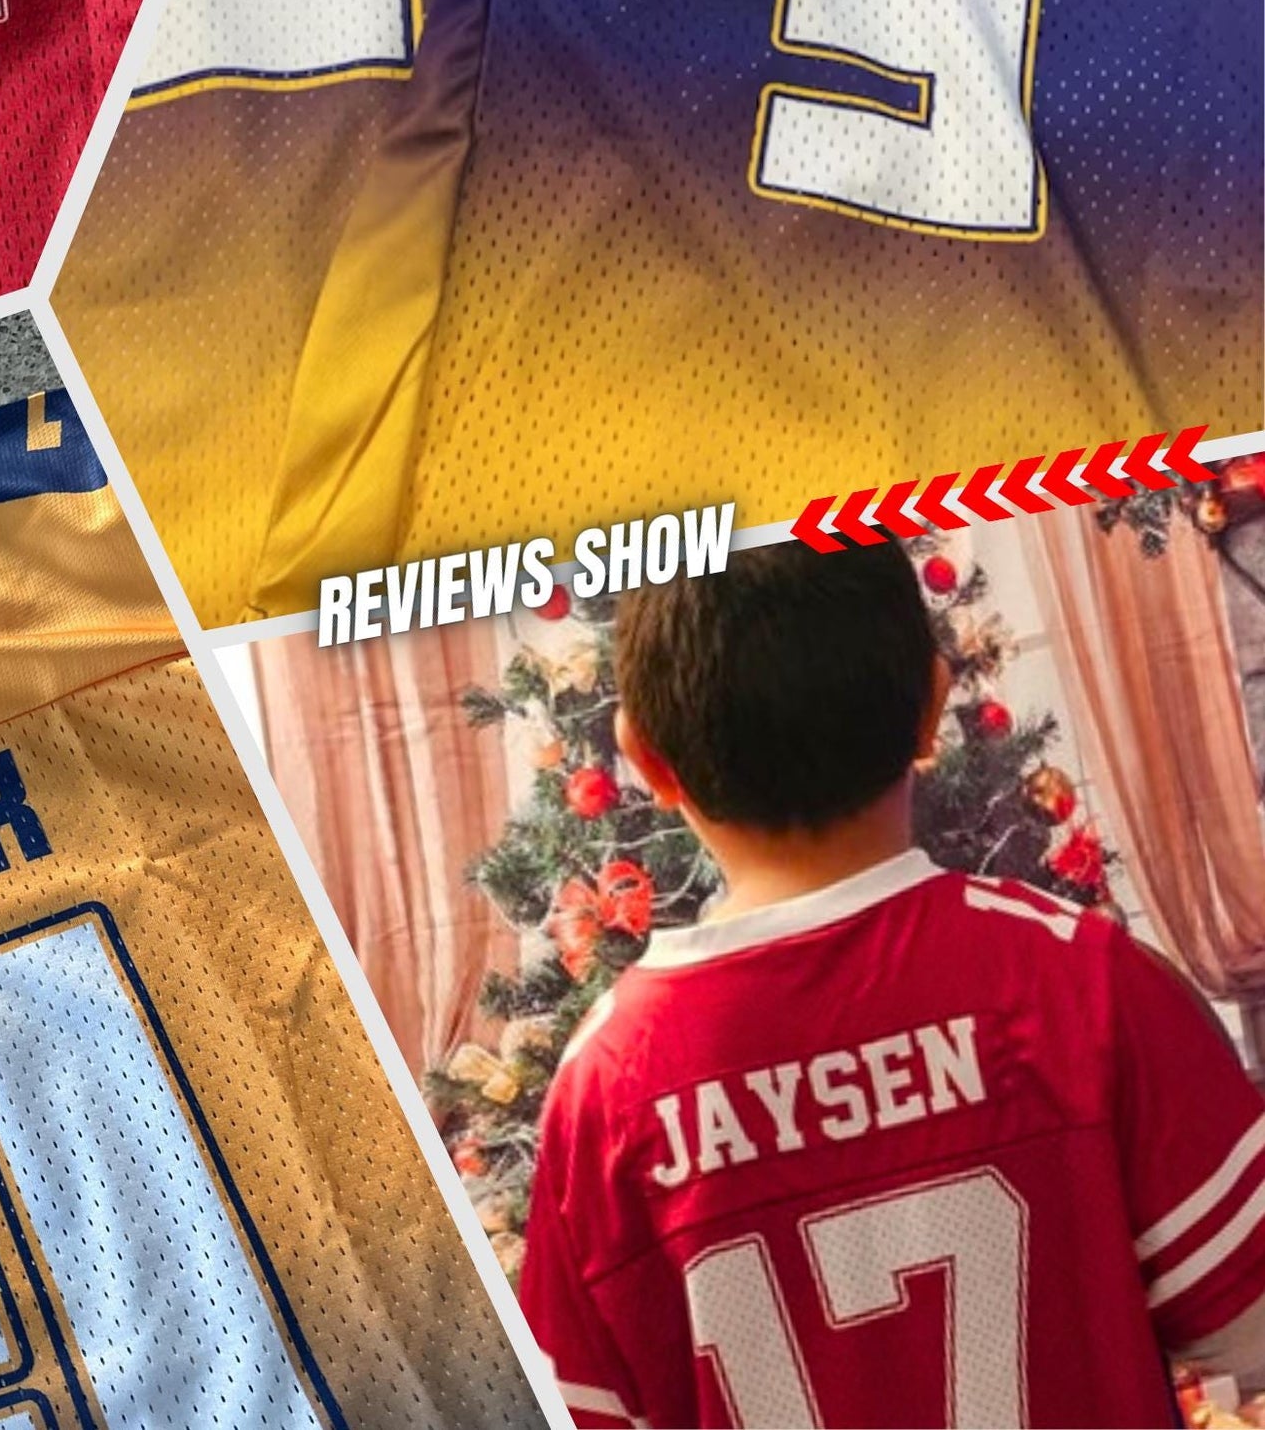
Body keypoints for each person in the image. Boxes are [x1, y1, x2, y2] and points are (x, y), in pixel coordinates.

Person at [519, 540, 1265, 1428]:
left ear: (645, 761)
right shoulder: (1085, 982)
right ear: (932, 705)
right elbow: (1248, 1328)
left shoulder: (602, 1095)